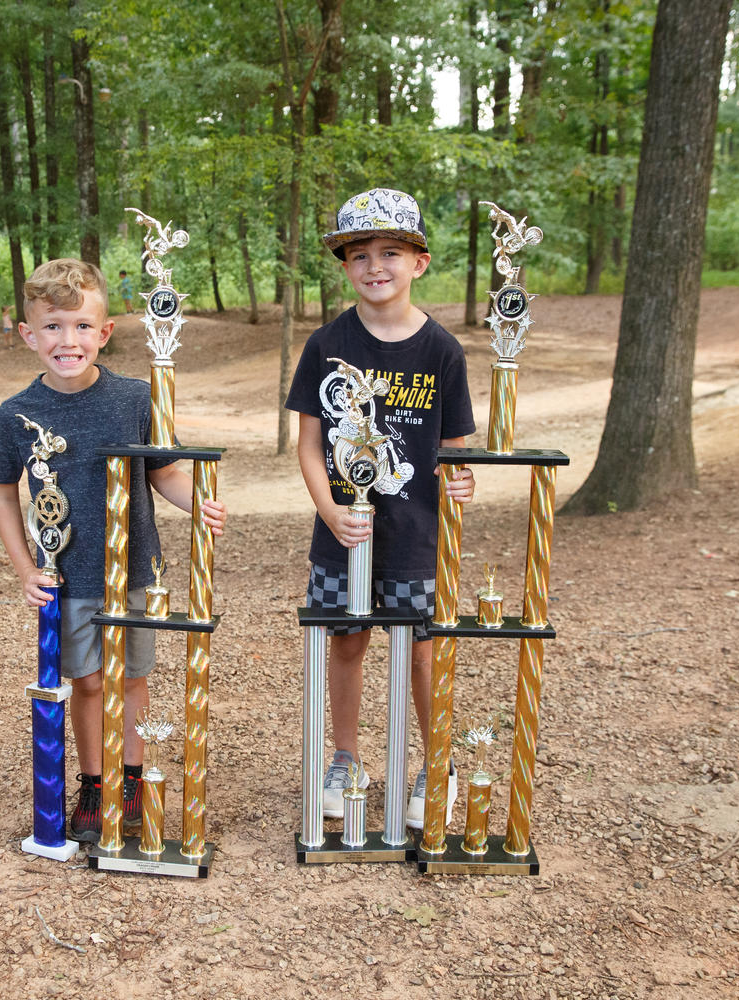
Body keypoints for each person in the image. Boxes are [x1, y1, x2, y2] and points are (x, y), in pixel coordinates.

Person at [0, 258, 227, 842]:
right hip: (67, 577)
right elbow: (3, 495)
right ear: (28, 334)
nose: (68, 341)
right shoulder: (17, 414)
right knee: (88, 682)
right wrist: (25, 570)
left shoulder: (135, 399)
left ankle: (132, 780)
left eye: (81, 327)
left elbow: (163, 472)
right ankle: (94, 783)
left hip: (135, 570)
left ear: (105, 332)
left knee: (132, 678)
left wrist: (199, 503)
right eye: (53, 327)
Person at [285, 188, 476, 829]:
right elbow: (310, 447)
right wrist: (330, 510)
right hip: (343, 533)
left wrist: (462, 483)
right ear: (344, 266)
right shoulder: (325, 345)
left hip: (417, 536)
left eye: (390, 252)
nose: (375, 266)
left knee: (421, 651)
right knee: (346, 642)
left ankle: (434, 764)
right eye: (359, 254)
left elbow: (455, 453)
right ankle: (346, 758)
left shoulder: (444, 351)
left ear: (418, 262)